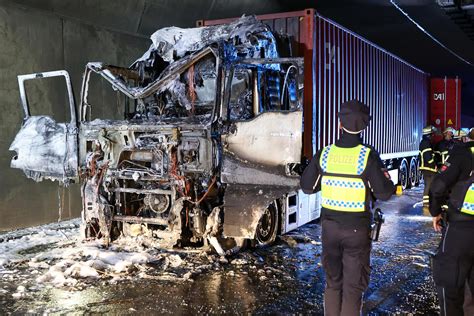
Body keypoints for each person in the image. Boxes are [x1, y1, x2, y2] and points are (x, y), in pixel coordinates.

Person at [300, 100, 395, 315]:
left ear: (339, 125)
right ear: (365, 126)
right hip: (357, 231)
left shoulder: (325, 154)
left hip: (329, 229)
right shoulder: (367, 156)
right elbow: (384, 193)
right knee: (352, 289)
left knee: (333, 283)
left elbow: (307, 187)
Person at [429, 127, 474, 316]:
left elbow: (438, 185)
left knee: (450, 283)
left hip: (461, 229)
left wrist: (435, 211)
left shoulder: (463, 153)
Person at [419, 125, 437, 209]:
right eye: (432, 135)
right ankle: (426, 204)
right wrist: (434, 165)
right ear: (428, 135)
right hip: (428, 168)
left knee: (429, 185)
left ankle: (427, 202)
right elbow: (428, 157)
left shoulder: (425, 142)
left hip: (428, 168)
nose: (433, 136)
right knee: (428, 185)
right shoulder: (426, 143)